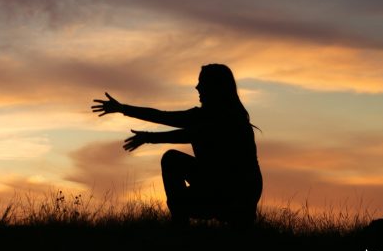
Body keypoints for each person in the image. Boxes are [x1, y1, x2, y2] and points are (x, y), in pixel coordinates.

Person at [92, 63, 261, 228]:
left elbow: (190, 134)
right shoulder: (201, 116)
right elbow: (162, 116)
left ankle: (185, 224)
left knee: (172, 159)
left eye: (202, 82)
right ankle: (182, 222)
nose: (197, 87)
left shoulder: (230, 121)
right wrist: (122, 108)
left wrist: (149, 137)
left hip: (235, 195)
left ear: (214, 87)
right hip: (215, 187)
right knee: (173, 162)